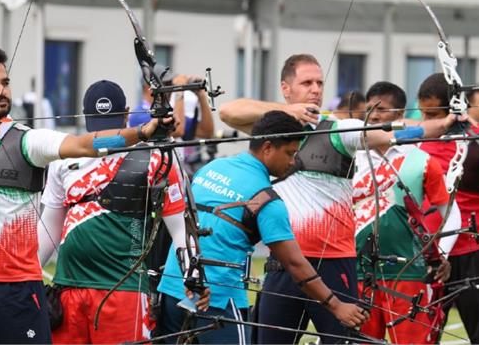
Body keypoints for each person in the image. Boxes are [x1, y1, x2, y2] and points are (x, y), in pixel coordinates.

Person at [0, 47, 166, 344]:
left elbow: (85, 145)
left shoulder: (28, 140)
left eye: (4, 83)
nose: (1, 91)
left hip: (17, 290)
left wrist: (141, 132)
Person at [219, 54, 457, 344]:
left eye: (320, 83)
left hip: (334, 264)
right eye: (307, 82)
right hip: (284, 262)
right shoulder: (272, 128)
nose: (316, 89)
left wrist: (445, 122)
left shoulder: (339, 129)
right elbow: (229, 111)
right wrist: (288, 110)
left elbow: (405, 132)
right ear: (286, 88)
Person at [156, 111, 368, 344]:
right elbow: (294, 263)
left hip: (172, 290)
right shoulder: (267, 200)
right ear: (268, 147)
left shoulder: (212, 168)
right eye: (289, 153)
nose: (293, 162)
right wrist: (337, 306)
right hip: (217, 300)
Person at [37, 79, 207, 344]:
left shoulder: (157, 158)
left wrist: (193, 275)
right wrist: (26, 278)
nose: (107, 135)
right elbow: (49, 225)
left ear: (127, 115)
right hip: (68, 288)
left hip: (123, 290)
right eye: (98, 126)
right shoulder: (66, 158)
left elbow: (180, 228)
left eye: (114, 123)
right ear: (84, 118)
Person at [353, 82, 460, 344]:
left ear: (400, 115)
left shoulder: (421, 159)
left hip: (407, 274)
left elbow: (451, 212)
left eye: (383, 109)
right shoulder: (350, 157)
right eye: (370, 109)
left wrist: (441, 254)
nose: (374, 116)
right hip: (358, 271)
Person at [417, 73, 479, 344]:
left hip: (478, 255)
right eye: (424, 114)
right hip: (430, 255)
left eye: (433, 114)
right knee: (420, 336)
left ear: (453, 110)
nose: (427, 122)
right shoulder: (417, 141)